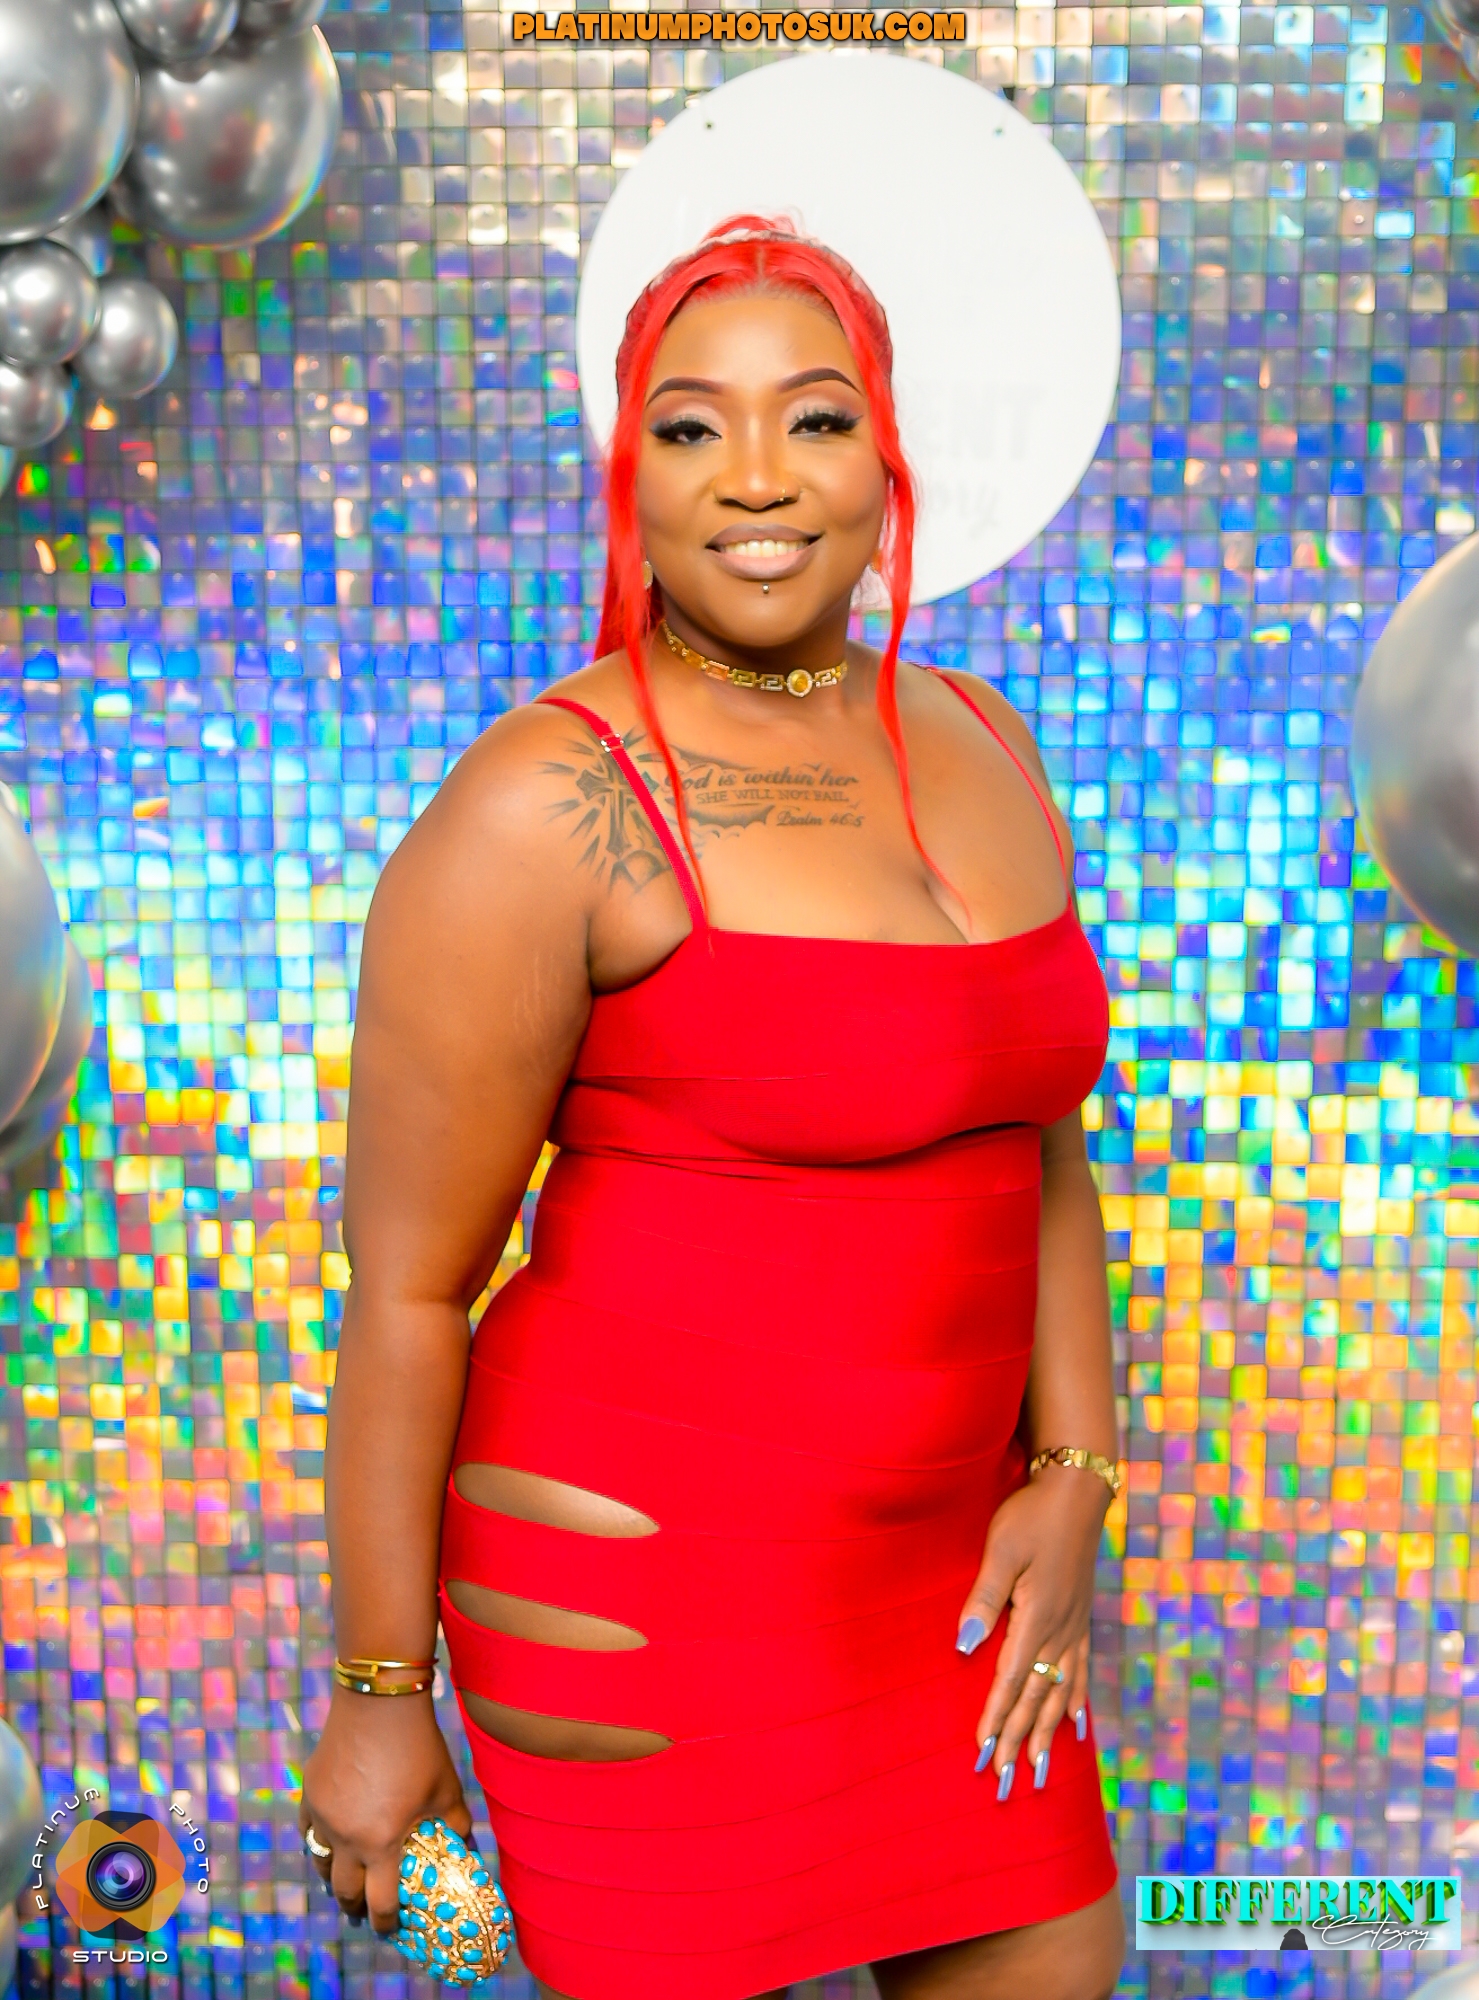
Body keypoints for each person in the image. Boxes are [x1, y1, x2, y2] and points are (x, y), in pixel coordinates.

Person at [298, 215, 1125, 2000]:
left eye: (815, 418)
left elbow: (1036, 1136)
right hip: (644, 1592)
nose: (757, 475)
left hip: (954, 1593)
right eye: (691, 427)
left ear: (887, 460)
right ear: (633, 478)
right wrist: (377, 1692)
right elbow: (410, 1294)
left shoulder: (983, 732)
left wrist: (1075, 1471)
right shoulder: (550, 800)